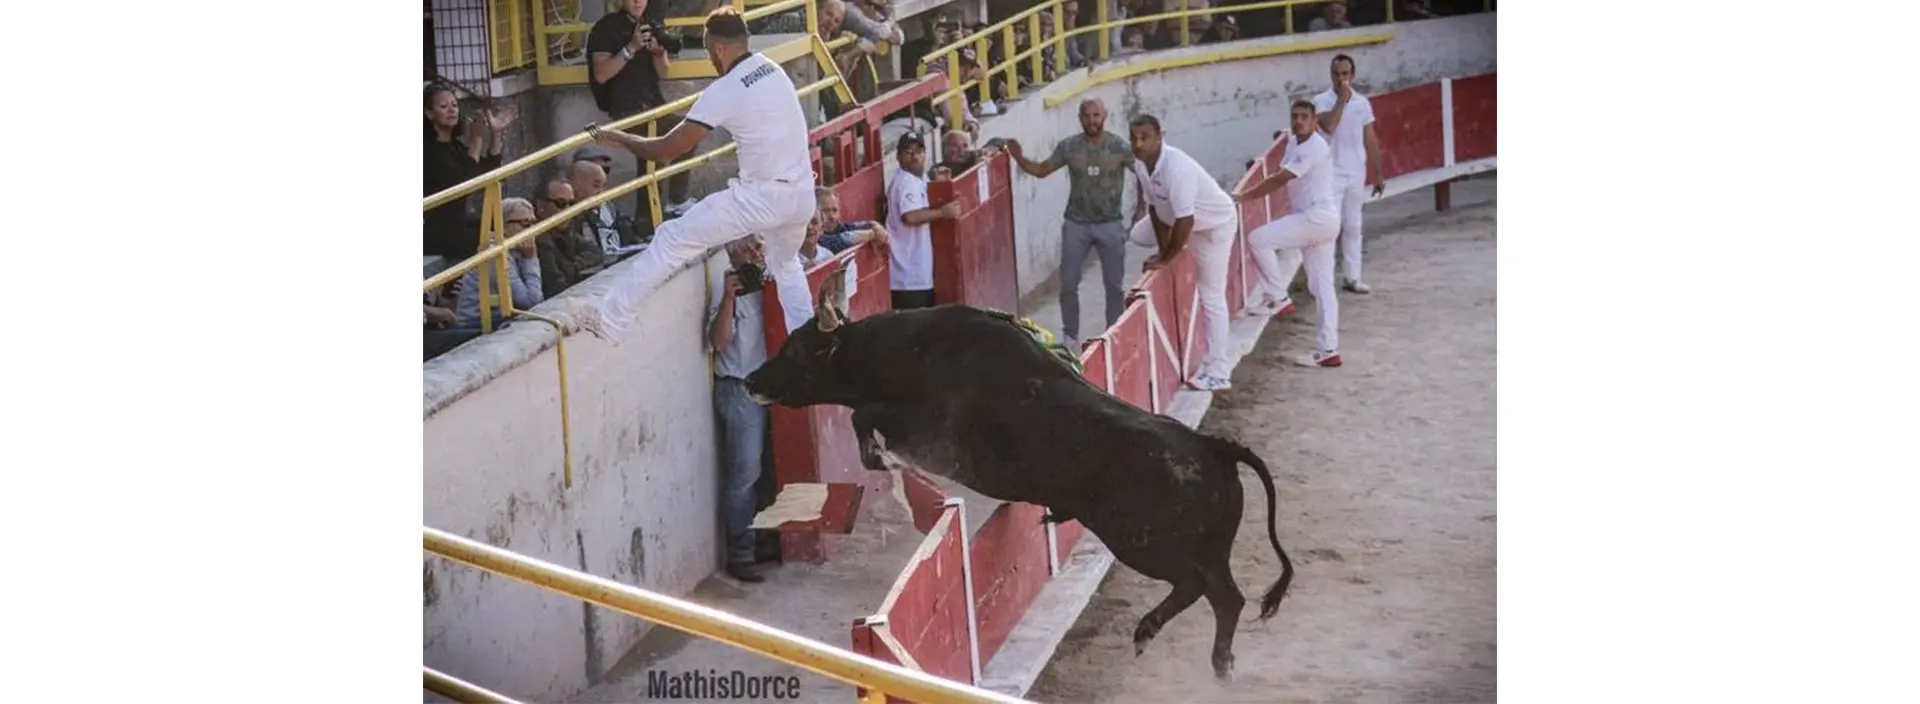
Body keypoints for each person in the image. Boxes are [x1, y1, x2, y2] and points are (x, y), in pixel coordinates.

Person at [570, 8, 820, 344]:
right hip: (802, 197)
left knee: (671, 238)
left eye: (706, 51)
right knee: (785, 264)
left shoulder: (726, 88)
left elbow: (665, 150)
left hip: (762, 198)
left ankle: (612, 319)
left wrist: (619, 137)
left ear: (718, 49)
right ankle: (810, 343)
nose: (710, 59)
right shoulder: (772, 69)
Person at [1005, 98, 1134, 347]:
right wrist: (1019, 157)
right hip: (1077, 224)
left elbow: (1143, 174)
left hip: (1110, 223)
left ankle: (1115, 333)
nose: (1092, 121)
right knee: (1068, 283)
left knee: (1114, 285)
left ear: (1104, 116)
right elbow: (1042, 170)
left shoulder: (1119, 147)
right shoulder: (1070, 146)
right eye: (1087, 116)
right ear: (1080, 118)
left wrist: (1142, 210)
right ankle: (1071, 335)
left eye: (1096, 115)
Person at [1126, 115, 1238, 392]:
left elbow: (1185, 221)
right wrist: (1164, 250)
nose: (1139, 144)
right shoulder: (1141, 165)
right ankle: (1178, 245)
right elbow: (1153, 208)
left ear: (1159, 138)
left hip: (1213, 227)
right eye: (1134, 138)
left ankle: (1219, 371)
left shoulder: (1177, 168)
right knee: (1137, 235)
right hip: (1181, 221)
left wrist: (1166, 259)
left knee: (1211, 294)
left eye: (1145, 138)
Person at [1235, 100, 1343, 368]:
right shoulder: (1296, 142)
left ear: (1314, 120)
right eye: (1294, 116)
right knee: (1321, 286)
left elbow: (1280, 179)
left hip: (1315, 218)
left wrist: (1244, 196)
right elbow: (1282, 171)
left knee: (1258, 239)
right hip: (1320, 219)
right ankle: (1329, 349)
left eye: (1304, 117)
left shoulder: (1315, 146)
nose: (1298, 121)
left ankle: (1277, 297)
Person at [586, 0, 695, 221]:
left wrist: (657, 52)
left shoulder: (651, 23)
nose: (638, 2)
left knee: (690, 132)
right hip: (626, 107)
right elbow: (601, 74)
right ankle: (647, 223)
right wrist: (631, 48)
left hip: (654, 104)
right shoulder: (605, 27)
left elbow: (664, 73)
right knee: (650, 151)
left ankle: (676, 201)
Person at [707, 237, 774, 583]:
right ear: (730, 252)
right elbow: (718, 343)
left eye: (756, 248)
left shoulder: (775, 278)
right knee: (744, 474)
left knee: (770, 469)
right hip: (740, 388)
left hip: (774, 385)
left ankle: (766, 540)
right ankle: (741, 552)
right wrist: (730, 298)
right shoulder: (725, 291)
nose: (752, 255)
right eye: (745, 249)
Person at [1313, 54, 1386, 293]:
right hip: (1330, 172)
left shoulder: (1363, 104)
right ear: (1330, 75)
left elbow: (1370, 138)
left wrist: (1377, 172)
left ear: (1352, 75)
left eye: (1345, 74)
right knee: (1330, 227)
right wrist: (1341, 102)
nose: (1340, 79)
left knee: (1354, 224)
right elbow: (1328, 126)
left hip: (1356, 171)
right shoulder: (1321, 101)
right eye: (1336, 74)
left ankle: (1352, 277)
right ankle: (1323, 281)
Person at [884, 133, 962, 310]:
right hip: (907, 276)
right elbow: (910, 217)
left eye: (919, 151)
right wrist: (943, 212)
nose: (914, 156)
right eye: (908, 152)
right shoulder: (905, 181)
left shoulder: (919, 178)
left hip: (915, 273)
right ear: (898, 157)